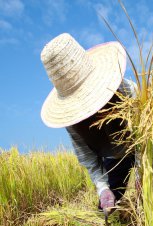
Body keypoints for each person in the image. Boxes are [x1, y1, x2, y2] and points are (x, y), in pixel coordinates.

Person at [40, 33, 136, 214]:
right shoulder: (72, 120)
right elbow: (87, 157)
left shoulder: (127, 90)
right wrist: (103, 188)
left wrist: (143, 172)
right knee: (107, 209)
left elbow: (149, 132)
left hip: (142, 148)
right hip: (114, 158)